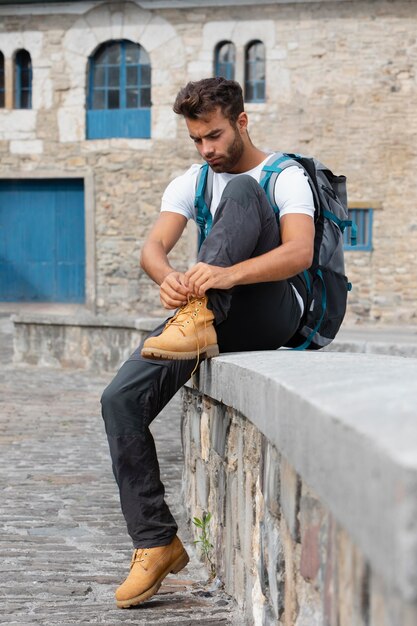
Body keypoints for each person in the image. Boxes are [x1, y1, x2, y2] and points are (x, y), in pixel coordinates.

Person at [101, 77, 315, 609]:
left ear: (241, 121)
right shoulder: (192, 181)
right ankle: (155, 541)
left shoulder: (282, 175)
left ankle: (196, 313)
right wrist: (167, 277)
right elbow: (154, 246)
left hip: (272, 310)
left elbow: (299, 254)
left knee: (242, 189)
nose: (207, 149)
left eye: (214, 136)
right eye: (197, 139)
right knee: (120, 402)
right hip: (206, 315)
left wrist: (225, 276)